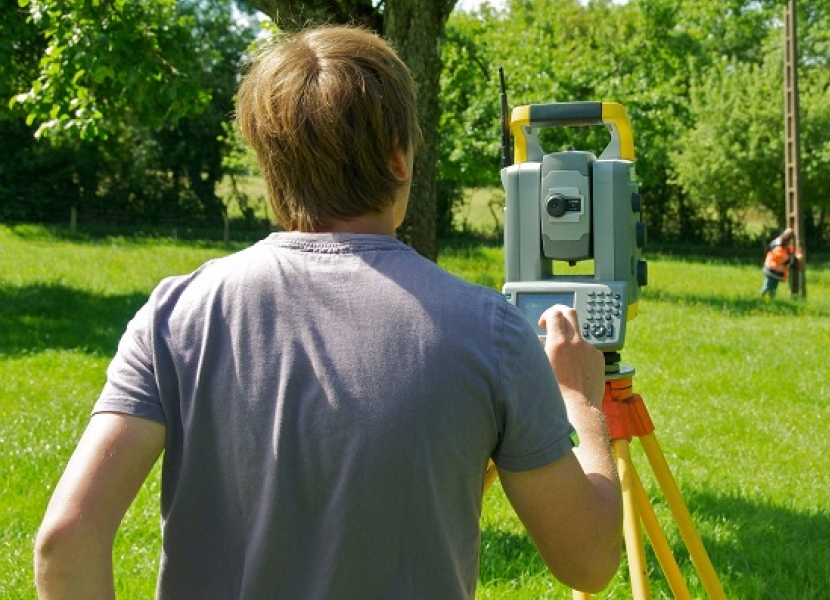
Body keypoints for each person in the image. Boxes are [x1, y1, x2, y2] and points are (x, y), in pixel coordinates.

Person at [33, 26, 622, 600]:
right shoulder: (490, 332)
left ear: (271, 164)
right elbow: (590, 561)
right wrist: (583, 406)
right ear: (399, 157)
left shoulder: (177, 314)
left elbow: (66, 539)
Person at [760, 227, 802, 299]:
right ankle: (761, 298)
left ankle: (770, 300)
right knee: (768, 286)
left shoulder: (777, 242)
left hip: (772, 270)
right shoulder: (779, 249)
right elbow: (787, 260)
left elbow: (787, 251)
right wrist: (798, 258)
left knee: (772, 287)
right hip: (772, 271)